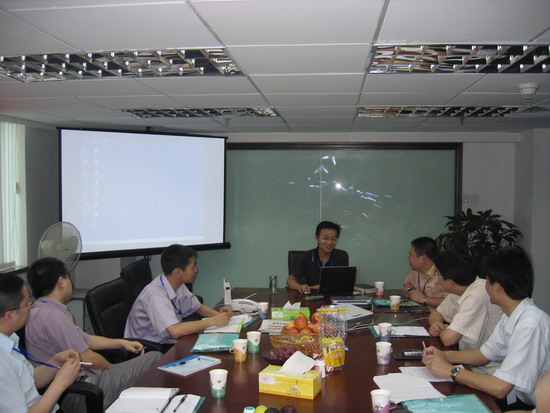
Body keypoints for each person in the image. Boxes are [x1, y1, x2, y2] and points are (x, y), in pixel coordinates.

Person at [25, 258, 162, 411]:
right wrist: (114, 370)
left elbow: (87, 339)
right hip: (81, 393)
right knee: (155, 358)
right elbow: (89, 358)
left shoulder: (39, 310)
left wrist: (121, 343)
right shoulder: (54, 316)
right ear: (62, 282)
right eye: (68, 277)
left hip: (71, 389)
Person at [423, 246, 550, 410]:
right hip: (519, 397)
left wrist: (451, 371)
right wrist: (444, 355)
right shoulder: (511, 315)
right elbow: (483, 355)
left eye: (487, 281)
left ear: (498, 288)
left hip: (532, 404)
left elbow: (500, 388)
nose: (484, 286)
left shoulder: (530, 325)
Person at [0, 273, 81, 413]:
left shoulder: (8, 340)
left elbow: (28, 380)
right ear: (9, 316)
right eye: (27, 303)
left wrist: (55, 362)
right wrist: (60, 383)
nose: (30, 307)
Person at [124, 244, 233, 344]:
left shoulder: (177, 283)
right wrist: (213, 321)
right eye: (192, 267)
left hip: (168, 340)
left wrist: (218, 315)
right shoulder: (155, 295)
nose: (196, 270)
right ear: (178, 272)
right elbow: (175, 331)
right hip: (148, 348)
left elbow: (197, 307)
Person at [428, 251, 502, 373]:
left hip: (486, 370)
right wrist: (436, 324)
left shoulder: (476, 295)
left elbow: (448, 339)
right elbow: (436, 314)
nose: (437, 279)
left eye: (438, 275)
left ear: (450, 282)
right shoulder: (461, 288)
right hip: (468, 361)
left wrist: (444, 329)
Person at [286, 221, 349, 293]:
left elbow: (342, 283)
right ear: (317, 238)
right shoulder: (306, 256)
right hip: (310, 297)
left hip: (334, 296)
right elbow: (290, 280)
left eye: (333, 239)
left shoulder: (341, 256)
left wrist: (311, 287)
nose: (329, 242)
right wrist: (300, 287)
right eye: (325, 238)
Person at [402, 236, 447, 308]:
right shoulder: (415, 271)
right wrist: (408, 288)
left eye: (410, 255)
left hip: (438, 314)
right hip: (418, 312)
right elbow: (407, 282)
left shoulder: (443, 274)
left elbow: (452, 302)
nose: (408, 258)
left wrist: (424, 299)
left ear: (424, 258)